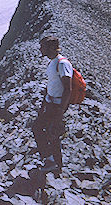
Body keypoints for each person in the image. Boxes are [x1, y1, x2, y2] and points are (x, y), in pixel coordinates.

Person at [32, 36, 73, 173]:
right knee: (43, 129)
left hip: (57, 105)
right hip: (51, 103)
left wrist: (61, 110)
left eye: (42, 46)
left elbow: (68, 88)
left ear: (50, 48)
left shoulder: (62, 63)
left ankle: (54, 164)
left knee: (51, 132)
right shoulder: (52, 62)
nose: (40, 49)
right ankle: (52, 161)